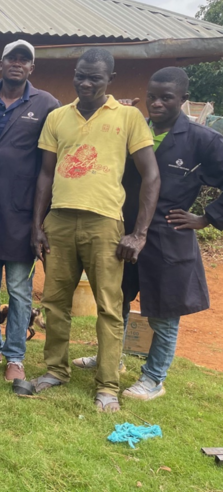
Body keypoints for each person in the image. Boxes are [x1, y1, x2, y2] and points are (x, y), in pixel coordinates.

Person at [74, 67, 223, 401]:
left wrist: (206, 218)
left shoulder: (202, 140)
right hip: (123, 229)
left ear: (184, 99)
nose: (156, 104)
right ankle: (111, 359)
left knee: (163, 312)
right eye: (152, 96)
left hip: (167, 235)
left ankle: (154, 378)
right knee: (116, 300)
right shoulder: (133, 126)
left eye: (166, 98)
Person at [29, 48, 160, 412]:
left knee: (109, 307)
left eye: (95, 78)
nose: (85, 83)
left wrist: (140, 233)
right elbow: (44, 174)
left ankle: (107, 385)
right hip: (59, 221)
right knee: (54, 302)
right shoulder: (57, 117)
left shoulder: (130, 117)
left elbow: (150, 175)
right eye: (80, 76)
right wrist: (37, 225)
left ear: (110, 81)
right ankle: (55, 370)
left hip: (105, 224)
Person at [0, 40, 60, 381]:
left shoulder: (46, 104)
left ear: (31, 68)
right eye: (12, 58)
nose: (18, 64)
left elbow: (56, 154)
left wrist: (41, 222)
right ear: (0, 63)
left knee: (19, 290)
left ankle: (15, 356)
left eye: (25, 60)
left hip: (22, 215)